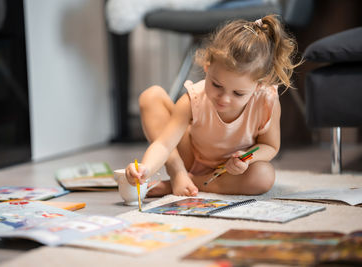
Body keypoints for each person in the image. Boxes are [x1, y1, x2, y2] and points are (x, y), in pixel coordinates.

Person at [125, 14, 301, 197]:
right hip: (190, 158)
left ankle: (187, 183)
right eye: (216, 85)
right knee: (151, 96)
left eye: (238, 93)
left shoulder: (266, 102)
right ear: (207, 67)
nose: (224, 99)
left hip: (228, 172)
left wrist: (247, 158)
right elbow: (163, 144)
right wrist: (145, 169)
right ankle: (179, 174)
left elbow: (270, 146)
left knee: (263, 176)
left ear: (259, 86)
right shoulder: (194, 98)